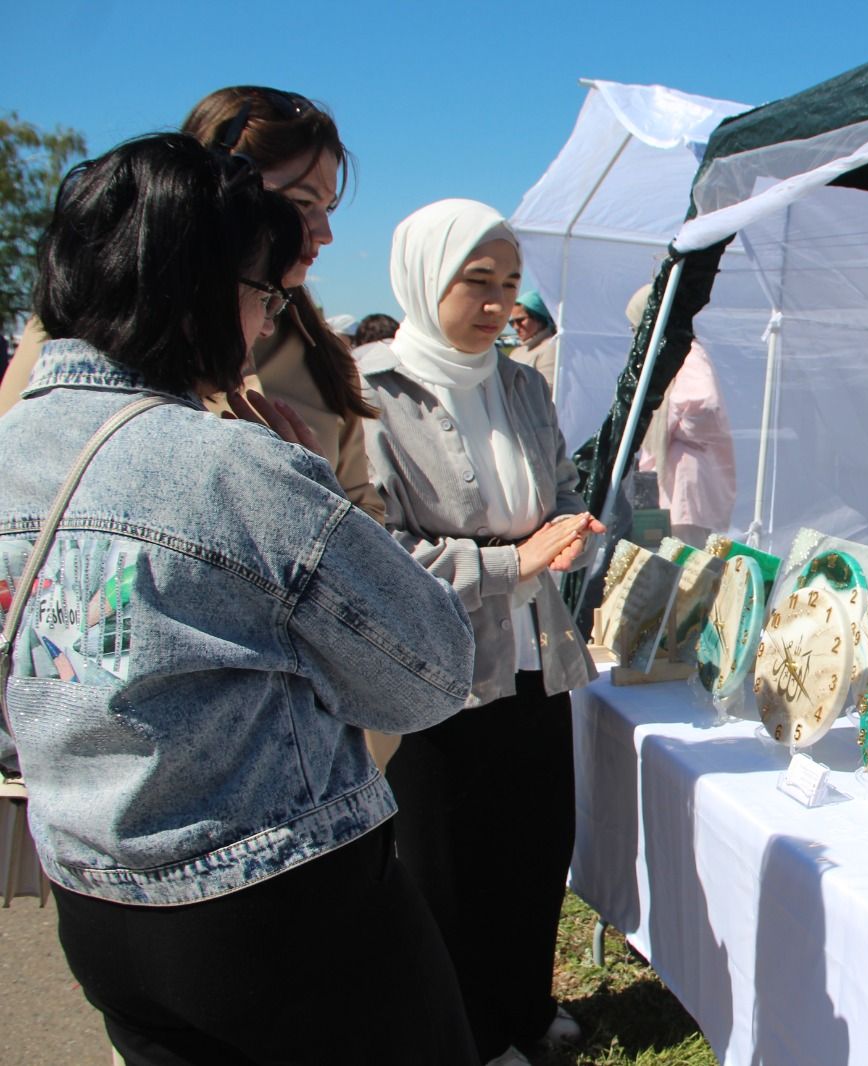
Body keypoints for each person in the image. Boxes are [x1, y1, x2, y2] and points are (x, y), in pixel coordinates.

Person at [0, 133, 481, 1064]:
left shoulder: (12, 449)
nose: (266, 325)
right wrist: (310, 485)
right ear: (202, 288)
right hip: (278, 902)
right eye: (266, 295)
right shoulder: (234, 466)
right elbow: (430, 673)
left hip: (97, 902)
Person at [362, 198, 604, 1064]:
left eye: (509, 284)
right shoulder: (370, 391)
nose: (499, 304)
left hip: (536, 653)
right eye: (478, 283)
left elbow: (563, 485)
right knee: (449, 859)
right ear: (428, 280)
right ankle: (469, 1028)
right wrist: (515, 564)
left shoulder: (521, 384)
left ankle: (524, 1004)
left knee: (537, 841)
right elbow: (377, 552)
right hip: (440, 666)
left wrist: (571, 530)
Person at [0, 86, 385, 524]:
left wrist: (308, 506)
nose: (324, 231)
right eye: (300, 203)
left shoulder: (323, 355)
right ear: (210, 188)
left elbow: (364, 511)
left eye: (329, 207)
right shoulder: (78, 331)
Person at [629, 283, 737, 548]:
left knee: (685, 562)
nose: (636, 334)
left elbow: (703, 404)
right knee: (671, 556)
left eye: (637, 326)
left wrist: (664, 424)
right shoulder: (671, 354)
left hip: (683, 476)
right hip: (673, 475)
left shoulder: (686, 352)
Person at [507, 288, 558, 391]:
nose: (516, 327)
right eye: (512, 323)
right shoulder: (518, 351)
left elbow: (547, 391)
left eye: (520, 320)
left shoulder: (551, 348)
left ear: (539, 318)